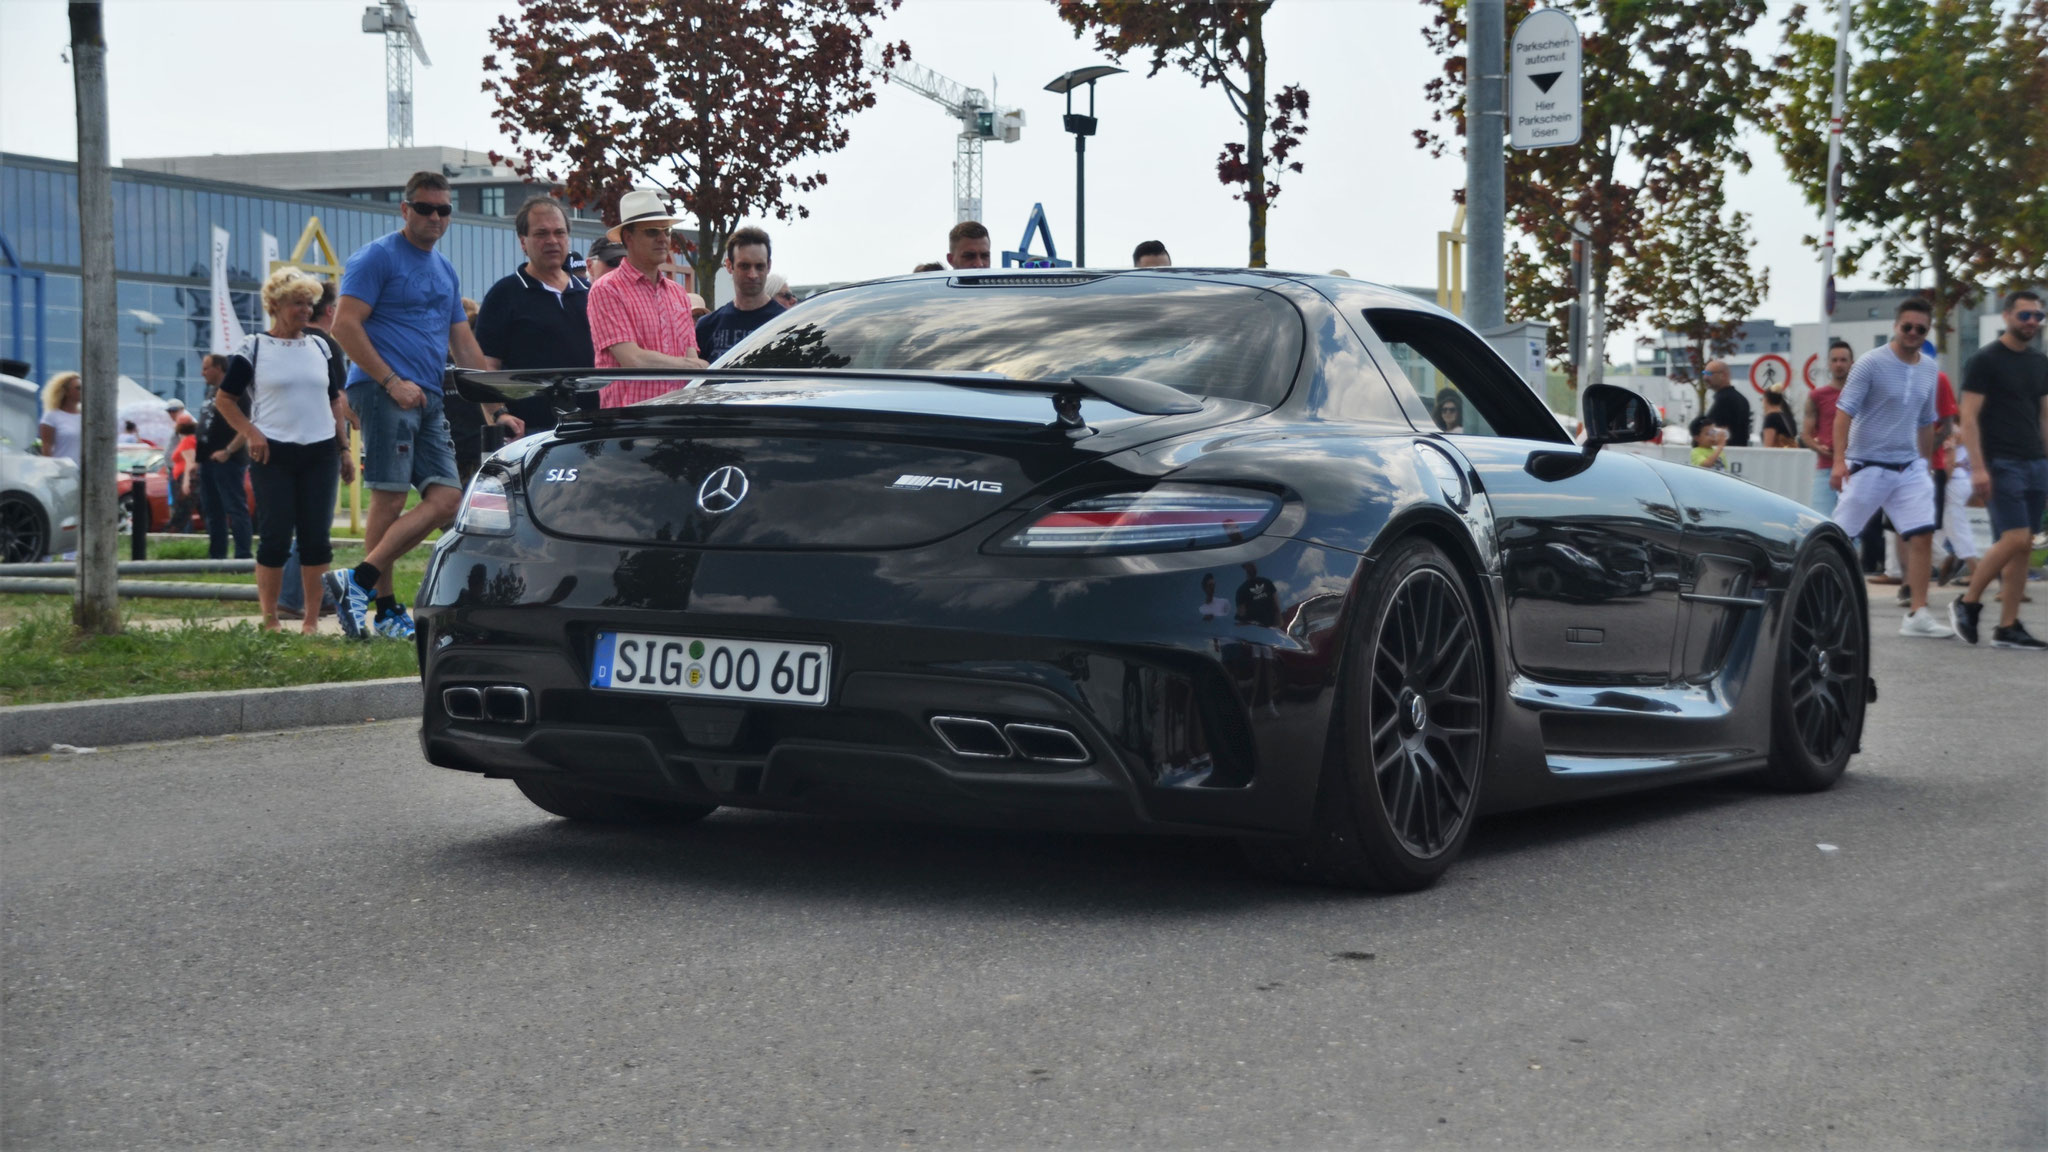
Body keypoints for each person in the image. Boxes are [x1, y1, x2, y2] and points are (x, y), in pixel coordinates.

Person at [327, 171, 519, 641]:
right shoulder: (376, 258)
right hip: (385, 391)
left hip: (429, 397)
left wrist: (495, 409)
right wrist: (390, 381)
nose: (435, 217)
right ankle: (388, 609)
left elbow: (465, 346)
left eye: (443, 209)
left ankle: (359, 581)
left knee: (448, 500)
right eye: (425, 208)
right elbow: (344, 326)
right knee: (390, 497)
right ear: (405, 209)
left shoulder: (445, 270)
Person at [212, 268, 356, 633]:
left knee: (316, 538)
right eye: (298, 304)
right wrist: (250, 432)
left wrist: (344, 450)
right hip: (272, 454)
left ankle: (310, 620)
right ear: (276, 305)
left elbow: (334, 401)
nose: (306, 311)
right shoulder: (253, 347)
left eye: (310, 304)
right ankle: (270, 618)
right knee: (275, 535)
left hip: (320, 453)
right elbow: (225, 399)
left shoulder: (321, 346)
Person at [1830, 298, 1951, 638]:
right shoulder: (1870, 363)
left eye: (1921, 329)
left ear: (1927, 331)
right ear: (1896, 326)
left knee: (1922, 533)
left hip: (1909, 465)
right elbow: (1844, 413)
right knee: (1839, 538)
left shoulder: (1929, 368)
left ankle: (1918, 614)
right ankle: (1826, 601)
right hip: (1867, 463)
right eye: (1907, 327)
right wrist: (1840, 461)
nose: (1913, 333)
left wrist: (1925, 466)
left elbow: (1927, 421)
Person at [1949, 289, 2048, 649]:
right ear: (2007, 316)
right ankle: (1968, 602)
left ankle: (2008, 626)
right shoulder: (1984, 360)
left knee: (2023, 546)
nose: (2033, 322)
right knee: (2015, 537)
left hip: (2036, 462)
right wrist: (1977, 468)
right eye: (2026, 316)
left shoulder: (2040, 362)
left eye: (2038, 316)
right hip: (2000, 461)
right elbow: (1969, 418)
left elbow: (2045, 416)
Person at [475, 196, 594, 440]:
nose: (552, 241)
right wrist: (499, 414)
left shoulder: (590, 294)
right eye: (541, 234)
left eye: (559, 232)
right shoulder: (504, 295)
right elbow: (485, 368)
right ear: (523, 242)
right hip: (528, 435)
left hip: (590, 431)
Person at [585, 190, 708, 407]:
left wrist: (691, 366)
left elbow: (690, 359)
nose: (663, 239)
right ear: (628, 238)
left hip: (676, 418)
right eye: (652, 231)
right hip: (629, 425)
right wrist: (690, 365)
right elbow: (633, 360)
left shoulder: (678, 293)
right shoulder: (606, 289)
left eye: (667, 231)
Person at [192, 354, 253, 560]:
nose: (202, 373)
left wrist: (228, 451)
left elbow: (247, 426)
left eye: (206, 368)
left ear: (219, 368)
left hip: (228, 462)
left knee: (235, 508)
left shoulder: (237, 392)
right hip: (207, 461)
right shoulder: (211, 392)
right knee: (212, 511)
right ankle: (217, 556)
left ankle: (242, 556)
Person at [695, 226, 785, 362]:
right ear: (729, 266)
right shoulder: (707, 327)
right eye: (744, 266)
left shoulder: (787, 323)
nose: (753, 275)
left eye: (759, 266)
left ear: (769, 266)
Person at [1800, 340, 1852, 513]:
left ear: (1851, 362)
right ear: (1828, 364)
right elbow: (1805, 435)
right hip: (1826, 467)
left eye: (1843, 360)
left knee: (1854, 530)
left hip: (1856, 467)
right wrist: (1819, 447)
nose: (1839, 364)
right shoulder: (1817, 396)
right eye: (1835, 360)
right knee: (1821, 520)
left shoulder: (1862, 394)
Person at [1701, 360, 1752, 447]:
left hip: (1723, 454)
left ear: (1723, 375)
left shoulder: (1724, 400)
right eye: (1704, 373)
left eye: (1709, 374)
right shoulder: (1742, 399)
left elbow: (1712, 431)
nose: (1705, 377)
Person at [166, 415, 201, 531]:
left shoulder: (187, 441)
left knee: (182, 508)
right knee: (186, 507)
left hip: (183, 477)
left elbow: (190, 462)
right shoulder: (190, 439)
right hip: (182, 476)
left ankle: (176, 531)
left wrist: (186, 481)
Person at [37, 371, 81, 464]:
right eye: (78, 388)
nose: (82, 391)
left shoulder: (86, 416)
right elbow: (46, 448)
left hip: (86, 473)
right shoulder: (51, 416)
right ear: (66, 391)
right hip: (62, 472)